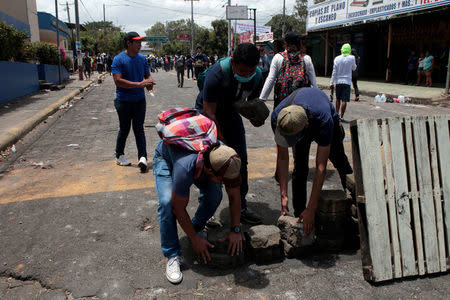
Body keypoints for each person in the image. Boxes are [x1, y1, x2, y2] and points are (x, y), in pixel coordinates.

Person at [154, 140, 243, 284]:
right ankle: (172, 255)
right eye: (223, 180)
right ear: (209, 171)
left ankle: (195, 228)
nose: (225, 183)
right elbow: (179, 208)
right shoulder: (185, 167)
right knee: (167, 203)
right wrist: (195, 240)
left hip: (200, 162)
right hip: (167, 157)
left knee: (215, 195)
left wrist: (236, 229)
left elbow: (234, 194)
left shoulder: (227, 157)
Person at [195, 43, 264, 225]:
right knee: (212, 162)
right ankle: (207, 209)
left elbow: (247, 104)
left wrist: (255, 118)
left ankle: (241, 207)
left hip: (231, 113)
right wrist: (222, 143)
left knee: (240, 161)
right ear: (233, 62)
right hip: (208, 113)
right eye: (241, 71)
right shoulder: (216, 74)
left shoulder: (257, 76)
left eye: (250, 71)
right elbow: (209, 112)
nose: (246, 75)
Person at [271, 87, 353, 236]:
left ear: (305, 127)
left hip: (325, 122)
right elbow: (282, 157)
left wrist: (312, 207)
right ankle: (300, 215)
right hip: (301, 120)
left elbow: (321, 167)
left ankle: (353, 206)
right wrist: (283, 194)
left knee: (339, 160)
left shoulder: (324, 119)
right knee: (300, 168)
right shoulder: (279, 117)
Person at [111, 32, 155, 172]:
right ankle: (119, 155)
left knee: (139, 128)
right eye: (136, 42)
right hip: (123, 101)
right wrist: (138, 84)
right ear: (128, 43)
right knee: (124, 129)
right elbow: (117, 80)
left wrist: (149, 84)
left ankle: (142, 157)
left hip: (139, 101)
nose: (139, 45)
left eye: (140, 42)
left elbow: (147, 76)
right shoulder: (118, 59)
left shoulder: (142, 59)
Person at [259, 32, 316, 109]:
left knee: (278, 119)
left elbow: (271, 79)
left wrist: (262, 98)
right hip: (301, 103)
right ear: (299, 44)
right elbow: (313, 82)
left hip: (282, 103)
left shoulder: (278, 57)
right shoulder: (306, 58)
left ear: (286, 44)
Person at [330, 43, 356, 121]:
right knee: (344, 100)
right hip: (347, 82)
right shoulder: (352, 58)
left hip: (338, 82)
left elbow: (334, 72)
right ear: (349, 50)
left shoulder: (337, 58)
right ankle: (341, 117)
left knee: (338, 99)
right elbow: (354, 68)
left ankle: (336, 115)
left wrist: (331, 83)